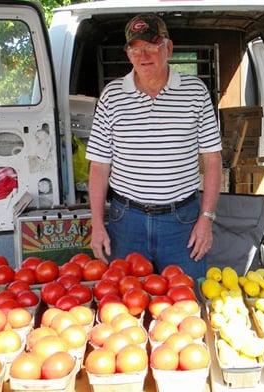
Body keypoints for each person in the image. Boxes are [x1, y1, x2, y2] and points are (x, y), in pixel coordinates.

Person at [86, 13, 222, 280]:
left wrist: (206, 218)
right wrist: (98, 224)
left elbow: (213, 160)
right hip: (126, 221)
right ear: (128, 54)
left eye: (151, 46)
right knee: (127, 309)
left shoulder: (195, 92)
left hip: (182, 221)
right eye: (135, 49)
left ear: (168, 49)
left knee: (188, 303)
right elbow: (100, 166)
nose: (143, 55)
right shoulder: (112, 96)